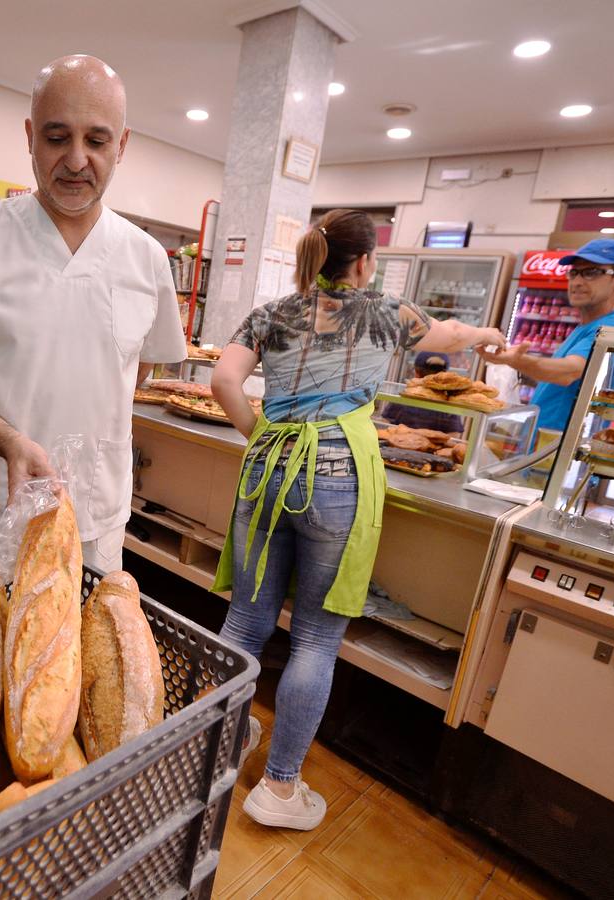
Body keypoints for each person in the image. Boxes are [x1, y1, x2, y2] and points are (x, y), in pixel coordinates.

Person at [210, 210, 505, 830]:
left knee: (245, 618)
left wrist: (261, 435)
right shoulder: (388, 314)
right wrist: (485, 333)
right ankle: (280, 789)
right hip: (339, 474)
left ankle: (206, 749)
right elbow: (450, 335)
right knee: (315, 637)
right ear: (366, 262)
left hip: (268, 467)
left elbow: (224, 379)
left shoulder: (271, 314)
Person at [0, 55, 186, 571]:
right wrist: (10, 441)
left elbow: (135, 375)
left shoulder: (146, 257)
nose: (75, 160)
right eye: (56, 137)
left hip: (95, 520)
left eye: (96, 141)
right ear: (29, 135)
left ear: (122, 144)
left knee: (79, 650)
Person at [477, 238, 614, 431]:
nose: (577, 282)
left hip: (563, 448)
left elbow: (568, 372)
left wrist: (516, 361)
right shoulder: (585, 327)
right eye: (574, 272)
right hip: (543, 443)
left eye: (591, 272)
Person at [382, 351, 465, 433]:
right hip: (435, 446)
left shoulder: (406, 395)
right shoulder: (448, 402)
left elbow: (385, 422)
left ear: (416, 373)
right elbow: (454, 434)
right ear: (443, 377)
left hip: (399, 442)